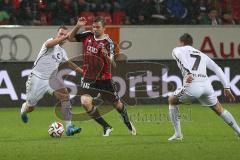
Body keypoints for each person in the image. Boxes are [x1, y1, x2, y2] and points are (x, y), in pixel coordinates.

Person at [68, 16, 136, 136]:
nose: (95, 29)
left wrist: (106, 56)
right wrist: (78, 26)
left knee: (117, 104)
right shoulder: (87, 35)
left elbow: (113, 63)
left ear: (104, 28)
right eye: (93, 27)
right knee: (85, 102)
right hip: (89, 77)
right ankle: (106, 126)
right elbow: (70, 38)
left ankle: (128, 122)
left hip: (104, 79)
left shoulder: (108, 42)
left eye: (98, 27)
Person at [168, 33, 240, 141]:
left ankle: (178, 134)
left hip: (193, 85)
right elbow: (217, 68)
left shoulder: (178, 50)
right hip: (206, 86)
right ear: (192, 43)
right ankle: (238, 131)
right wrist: (227, 87)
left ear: (181, 42)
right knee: (219, 109)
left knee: (172, 100)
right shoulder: (202, 54)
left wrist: (188, 73)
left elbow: (181, 57)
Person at [20, 26, 83, 136]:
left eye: (64, 34)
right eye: (60, 34)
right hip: (37, 78)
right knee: (31, 107)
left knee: (65, 96)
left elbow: (69, 63)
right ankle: (23, 110)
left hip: (51, 80)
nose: (62, 36)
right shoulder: (50, 42)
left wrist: (83, 72)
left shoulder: (62, 52)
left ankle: (69, 127)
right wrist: (64, 37)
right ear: (57, 34)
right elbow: (49, 44)